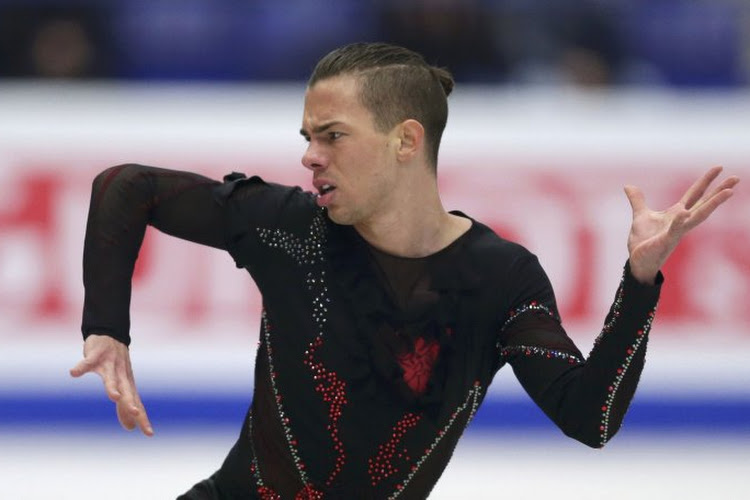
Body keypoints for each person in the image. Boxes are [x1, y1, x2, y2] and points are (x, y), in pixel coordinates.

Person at [70, 42, 739, 499]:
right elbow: (125, 187)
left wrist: (640, 283)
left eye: (331, 135)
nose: (309, 157)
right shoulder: (290, 229)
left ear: (405, 141)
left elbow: (588, 416)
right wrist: (106, 328)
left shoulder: (497, 280)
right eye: (307, 137)